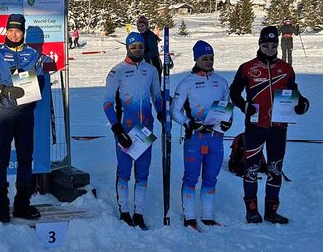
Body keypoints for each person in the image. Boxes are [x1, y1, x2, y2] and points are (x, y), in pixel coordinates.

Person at [229, 26, 309, 224]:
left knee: (274, 168)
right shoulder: (247, 67)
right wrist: (244, 106)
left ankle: (272, 211)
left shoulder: (286, 68)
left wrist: (301, 104)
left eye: (273, 46)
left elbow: (294, 94)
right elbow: (234, 92)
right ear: (260, 45)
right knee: (251, 168)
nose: (270, 49)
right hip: (255, 127)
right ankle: (252, 210)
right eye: (266, 45)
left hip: (278, 128)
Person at [0, 13, 47, 222]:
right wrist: (4, 90)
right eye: (10, 30)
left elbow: (42, 79)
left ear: (23, 32)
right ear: (5, 31)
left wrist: (33, 89)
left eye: (18, 30)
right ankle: (2, 205)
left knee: (25, 158)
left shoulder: (33, 55)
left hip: (25, 114)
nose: (14, 34)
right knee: (1, 159)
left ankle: (22, 204)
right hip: (3, 113)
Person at [103, 32, 164, 229]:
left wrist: (161, 111)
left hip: (145, 130)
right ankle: (124, 211)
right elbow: (107, 104)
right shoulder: (117, 71)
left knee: (143, 173)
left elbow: (156, 96)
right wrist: (117, 128)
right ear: (128, 48)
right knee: (124, 172)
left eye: (140, 46)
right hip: (125, 130)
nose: (138, 49)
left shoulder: (151, 70)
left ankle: (139, 212)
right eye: (134, 46)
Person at [170, 41, 232, 229]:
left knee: (211, 177)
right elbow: (174, 111)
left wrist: (228, 121)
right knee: (191, 177)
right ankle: (189, 216)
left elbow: (227, 108)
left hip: (215, 137)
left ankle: (207, 216)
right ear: (196, 59)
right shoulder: (186, 83)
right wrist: (189, 123)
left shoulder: (221, 82)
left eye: (211, 58)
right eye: (204, 58)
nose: (208, 61)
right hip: (195, 138)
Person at [136, 15, 163, 80]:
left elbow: (153, 51)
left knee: (154, 86)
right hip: (146, 63)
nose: (140, 28)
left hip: (153, 63)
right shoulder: (142, 35)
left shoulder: (149, 36)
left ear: (146, 26)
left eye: (142, 26)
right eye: (139, 26)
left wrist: (142, 58)